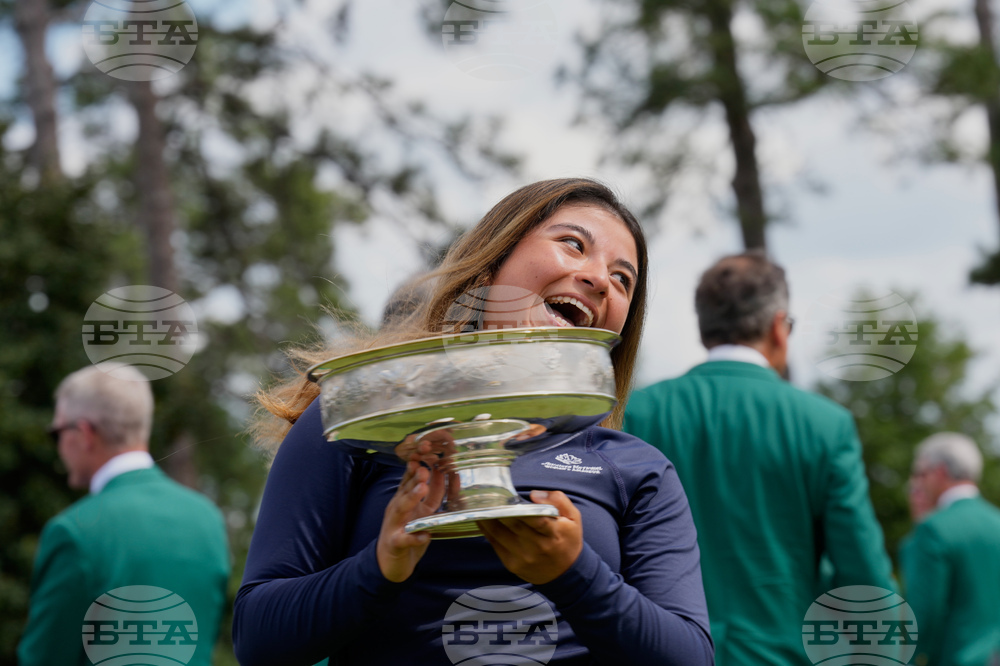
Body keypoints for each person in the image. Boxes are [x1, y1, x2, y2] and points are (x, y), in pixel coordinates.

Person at [233, 178, 714, 665]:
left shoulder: (635, 468)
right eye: (574, 244)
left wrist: (574, 574)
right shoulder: (362, 419)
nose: (599, 279)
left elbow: (692, 658)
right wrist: (379, 567)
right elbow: (258, 640)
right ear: (490, 268)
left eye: (622, 278)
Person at [623, 251, 893, 666]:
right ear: (778, 327)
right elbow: (862, 575)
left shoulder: (637, 412)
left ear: (704, 328)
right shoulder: (825, 424)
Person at [18, 364, 231, 666]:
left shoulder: (73, 531)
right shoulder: (207, 520)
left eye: (58, 432)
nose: (59, 446)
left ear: (84, 433)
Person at [900, 432, 1000, 666]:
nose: (920, 483)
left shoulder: (933, 529)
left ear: (940, 471)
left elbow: (922, 617)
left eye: (921, 473)